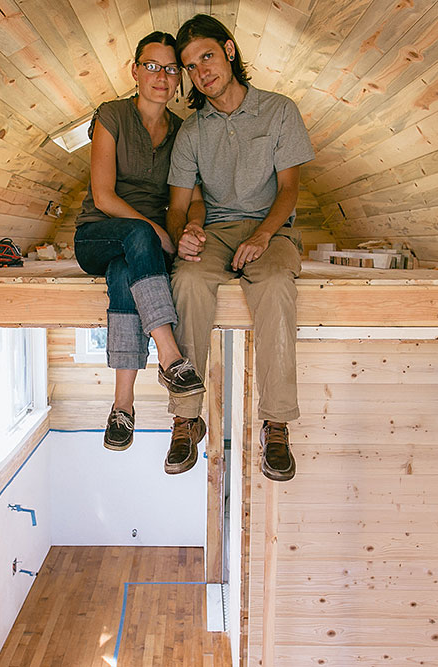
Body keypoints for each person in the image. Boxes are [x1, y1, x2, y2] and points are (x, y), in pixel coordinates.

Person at [164, 14, 315, 481]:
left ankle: (276, 423)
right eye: (189, 66)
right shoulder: (191, 132)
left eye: (206, 56)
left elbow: (290, 188)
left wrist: (264, 235)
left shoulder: (279, 110)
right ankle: (187, 416)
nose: (201, 71)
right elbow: (179, 204)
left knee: (273, 283)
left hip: (271, 229)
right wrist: (187, 232)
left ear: (229, 50)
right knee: (186, 280)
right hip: (216, 230)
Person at [74, 32, 206, 453]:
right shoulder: (111, 115)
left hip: (141, 251)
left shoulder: (183, 132)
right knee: (134, 238)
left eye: (170, 69)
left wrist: (191, 227)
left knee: (123, 275)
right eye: (151, 66)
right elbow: (103, 196)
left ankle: (122, 406)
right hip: (98, 234)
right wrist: (158, 232)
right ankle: (169, 355)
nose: (161, 76)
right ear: (134, 70)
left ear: (179, 79)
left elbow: (196, 199)